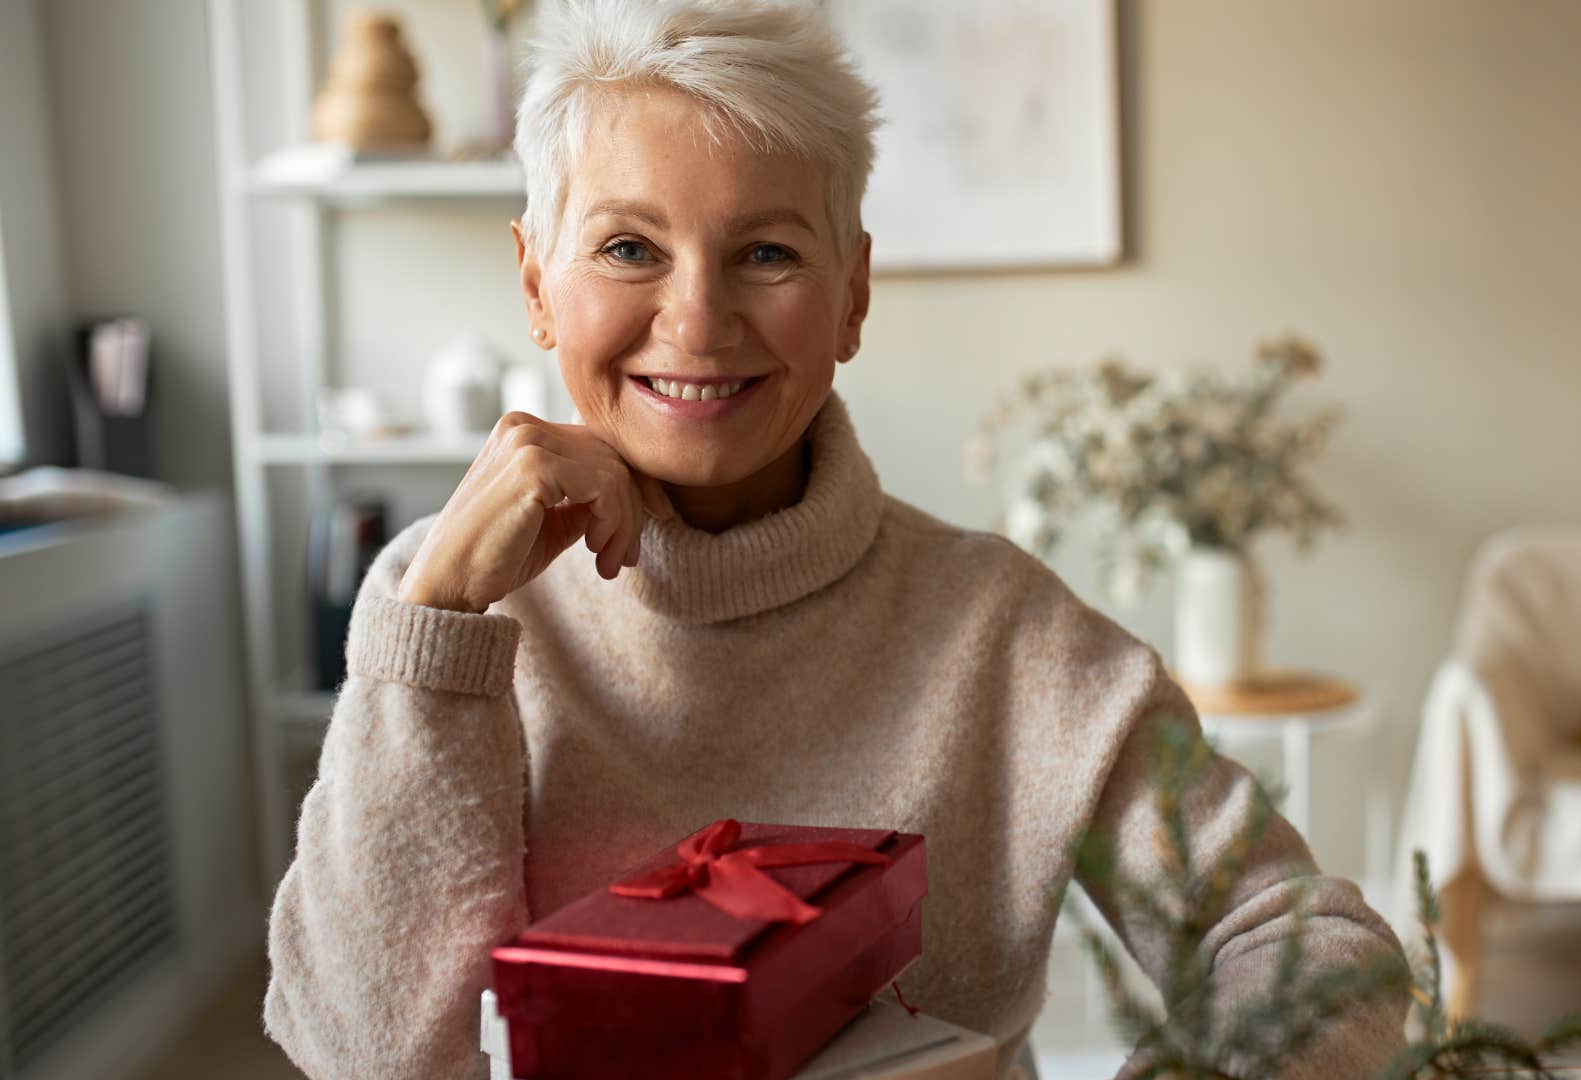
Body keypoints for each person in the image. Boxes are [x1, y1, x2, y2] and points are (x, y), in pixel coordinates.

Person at [262, 1, 1408, 1076]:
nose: (698, 321)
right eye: (628, 249)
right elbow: (369, 1055)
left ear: (852, 295)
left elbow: (1307, 942)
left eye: (767, 253)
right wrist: (435, 626)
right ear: (535, 285)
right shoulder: (440, 606)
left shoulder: (1010, 635)